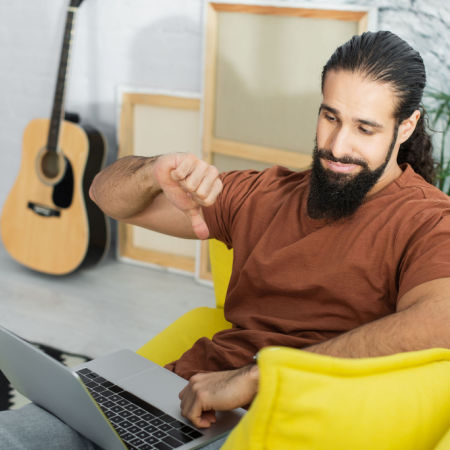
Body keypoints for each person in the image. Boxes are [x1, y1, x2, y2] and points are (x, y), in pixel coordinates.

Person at [1, 30, 449, 449]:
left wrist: (260, 377)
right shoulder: (264, 193)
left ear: (405, 127)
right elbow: (106, 197)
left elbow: (440, 322)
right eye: (330, 117)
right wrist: (153, 170)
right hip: (182, 397)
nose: (336, 145)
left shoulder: (427, 220)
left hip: (275, 420)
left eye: (364, 128)